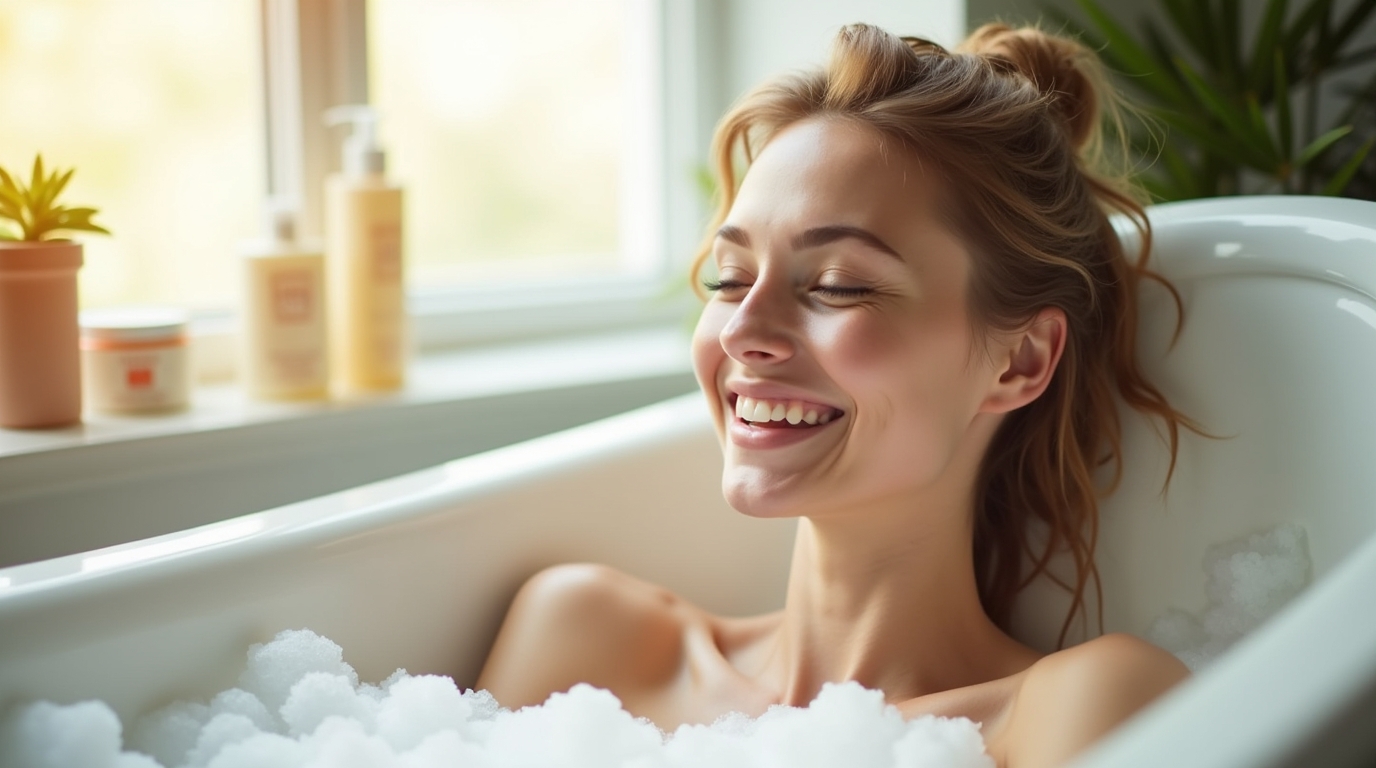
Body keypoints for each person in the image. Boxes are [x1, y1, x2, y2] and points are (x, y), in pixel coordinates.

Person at [477, 21, 1198, 768]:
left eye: (837, 285)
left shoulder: (1077, 708)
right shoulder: (591, 642)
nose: (741, 329)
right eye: (728, 279)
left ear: (1018, 360)